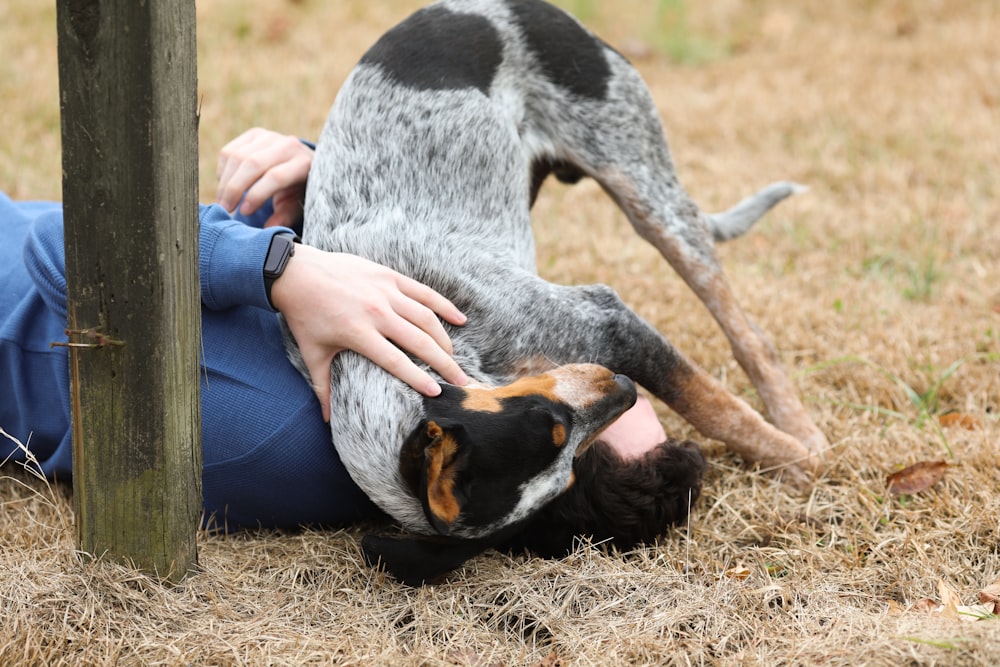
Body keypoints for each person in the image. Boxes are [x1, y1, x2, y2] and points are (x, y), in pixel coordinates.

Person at [1, 128, 667, 532]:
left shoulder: (277, 432)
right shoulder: (403, 373)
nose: (523, 343)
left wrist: (282, 270)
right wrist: (312, 176)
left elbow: (77, 246)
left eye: (540, 378)